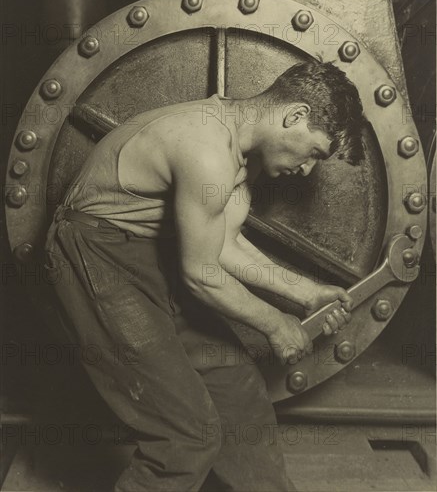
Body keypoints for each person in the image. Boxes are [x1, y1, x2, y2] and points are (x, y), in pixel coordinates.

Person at [45, 61, 368, 491]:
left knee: (240, 398)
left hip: (150, 255)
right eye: (314, 153)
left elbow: (223, 246)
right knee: (187, 434)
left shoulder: (239, 153)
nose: (308, 170)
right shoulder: (205, 147)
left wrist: (307, 293)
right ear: (294, 116)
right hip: (94, 255)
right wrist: (276, 324)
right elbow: (200, 273)